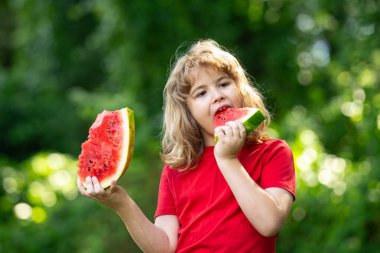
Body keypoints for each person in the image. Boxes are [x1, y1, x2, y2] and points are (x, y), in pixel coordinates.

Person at [78, 39, 296, 253]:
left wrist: (228, 160)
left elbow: (269, 223)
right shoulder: (176, 170)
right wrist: (122, 204)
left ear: (240, 90)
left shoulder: (273, 152)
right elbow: (164, 247)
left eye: (223, 84)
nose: (217, 96)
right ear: (187, 111)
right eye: (201, 93)